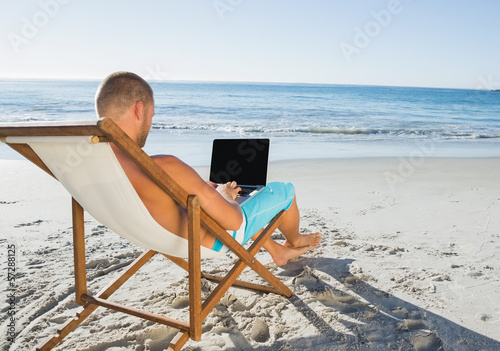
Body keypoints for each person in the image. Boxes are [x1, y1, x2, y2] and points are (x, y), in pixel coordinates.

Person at [95, 71, 321, 266]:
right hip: (211, 239)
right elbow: (234, 222)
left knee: (215, 195)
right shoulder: (164, 166)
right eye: (151, 116)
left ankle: (276, 250)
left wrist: (206, 191)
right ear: (139, 109)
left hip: (156, 236)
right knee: (285, 191)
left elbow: (162, 202)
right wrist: (223, 197)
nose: (151, 124)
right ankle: (294, 241)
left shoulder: (94, 169)